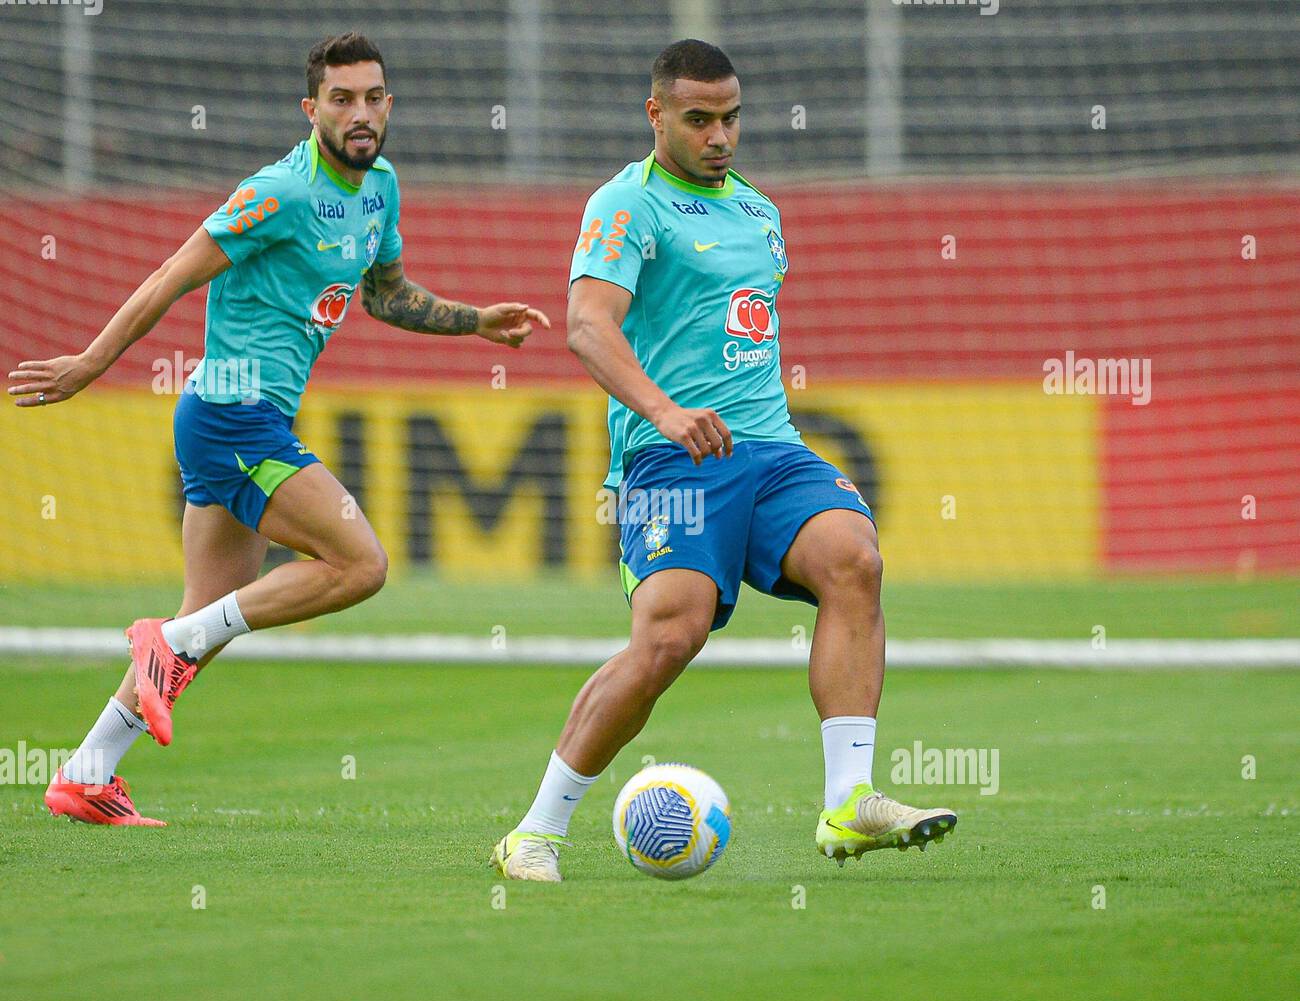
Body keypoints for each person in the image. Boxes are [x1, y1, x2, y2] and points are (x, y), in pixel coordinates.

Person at [10, 32, 549, 826]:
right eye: (341, 99)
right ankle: (170, 642)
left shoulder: (381, 186)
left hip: (245, 419)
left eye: (372, 98)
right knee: (361, 564)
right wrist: (91, 363)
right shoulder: (277, 192)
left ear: (388, 105)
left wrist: (475, 322)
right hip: (233, 415)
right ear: (312, 109)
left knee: (209, 615)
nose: (359, 113)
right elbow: (170, 273)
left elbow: (386, 295)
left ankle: (88, 772)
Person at [491, 40, 954, 882]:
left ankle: (849, 803)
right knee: (672, 636)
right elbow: (589, 326)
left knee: (855, 560)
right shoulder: (626, 204)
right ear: (656, 115)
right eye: (698, 119)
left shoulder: (760, 214)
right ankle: (534, 832)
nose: (719, 136)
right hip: (669, 459)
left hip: (768, 448)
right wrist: (666, 414)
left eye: (731, 118)